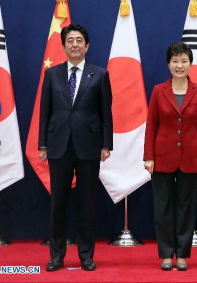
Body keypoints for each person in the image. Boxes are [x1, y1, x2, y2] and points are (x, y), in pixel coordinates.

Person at [38, 24, 113, 272]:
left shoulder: (99, 75)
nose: (74, 44)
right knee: (57, 203)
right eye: (70, 40)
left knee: (86, 203)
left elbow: (106, 114)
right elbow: (45, 113)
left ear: (87, 46)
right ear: (63, 46)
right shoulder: (52, 74)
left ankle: (86, 255)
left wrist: (106, 144)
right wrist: (42, 143)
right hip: (58, 146)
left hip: (89, 147)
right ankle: (56, 255)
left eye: (79, 40)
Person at [143, 41, 197, 271]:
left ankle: (182, 254)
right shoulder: (158, 90)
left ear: (191, 64)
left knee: (185, 207)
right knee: (162, 207)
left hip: (191, 157)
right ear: (168, 64)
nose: (179, 65)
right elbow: (151, 125)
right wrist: (148, 156)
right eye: (175, 61)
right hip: (161, 157)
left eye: (184, 61)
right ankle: (165, 254)